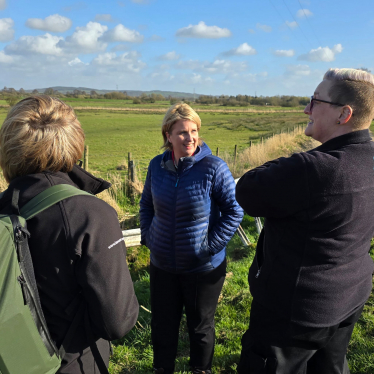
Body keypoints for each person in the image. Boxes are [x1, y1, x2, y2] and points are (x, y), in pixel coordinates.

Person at [235, 68, 374, 374]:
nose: (306, 109)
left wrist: (293, 161)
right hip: (348, 296)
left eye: (315, 101)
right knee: (330, 367)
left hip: (294, 312)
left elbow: (246, 190)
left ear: (344, 114)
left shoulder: (312, 169)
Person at [0, 96, 139, 373]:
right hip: (72, 363)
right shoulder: (90, 214)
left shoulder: (4, 208)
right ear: (75, 142)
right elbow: (118, 321)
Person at [140, 103, 243, 374]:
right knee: (163, 325)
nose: (190, 137)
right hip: (162, 264)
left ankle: (201, 369)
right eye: (182, 132)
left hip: (201, 267)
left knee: (200, 326)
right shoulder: (156, 166)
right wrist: (149, 237)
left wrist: (210, 247)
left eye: (194, 131)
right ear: (168, 135)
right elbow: (146, 206)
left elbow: (235, 210)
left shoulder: (214, 168)